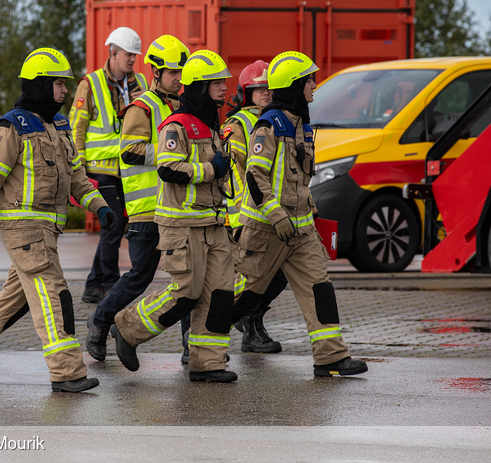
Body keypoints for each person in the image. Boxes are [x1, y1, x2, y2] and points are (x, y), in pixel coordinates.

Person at [0, 48, 118, 393]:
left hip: (45, 230)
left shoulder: (59, 125)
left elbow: (77, 179)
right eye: (58, 84)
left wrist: (100, 207)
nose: (65, 91)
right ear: (40, 85)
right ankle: (66, 372)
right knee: (53, 295)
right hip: (23, 229)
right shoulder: (12, 127)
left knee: (18, 296)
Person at [231, 50, 368, 377]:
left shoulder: (302, 125)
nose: (314, 85)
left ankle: (331, 357)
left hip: (299, 231)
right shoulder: (269, 125)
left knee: (319, 287)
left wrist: (312, 215)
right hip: (266, 229)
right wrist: (276, 214)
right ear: (294, 85)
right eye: (309, 80)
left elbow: (299, 181)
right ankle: (197, 346)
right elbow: (255, 176)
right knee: (241, 294)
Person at [111, 50, 238, 383]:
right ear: (199, 87)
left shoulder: (212, 125)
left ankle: (208, 363)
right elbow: (168, 169)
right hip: (183, 225)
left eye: (224, 82)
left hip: (213, 223)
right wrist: (211, 169)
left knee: (220, 295)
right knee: (186, 292)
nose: (224, 88)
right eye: (216, 83)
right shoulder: (177, 124)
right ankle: (126, 329)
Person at [85, 34, 191, 362]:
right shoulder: (142, 107)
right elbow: (129, 151)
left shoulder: (178, 108)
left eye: (181, 73)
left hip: (176, 210)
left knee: (189, 277)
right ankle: (101, 321)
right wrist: (169, 152)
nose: (178, 79)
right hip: (146, 211)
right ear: (156, 73)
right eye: (173, 73)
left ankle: (193, 347)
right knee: (139, 277)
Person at [69, 27, 149, 304]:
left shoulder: (139, 82)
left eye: (135, 56)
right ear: (112, 52)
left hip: (127, 170)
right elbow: (76, 128)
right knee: (113, 226)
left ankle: (93, 285)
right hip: (100, 168)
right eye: (128, 54)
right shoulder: (89, 84)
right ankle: (109, 283)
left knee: (117, 224)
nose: (132, 61)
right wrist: (77, 168)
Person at [222, 61, 287, 354]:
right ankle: (223, 328)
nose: (265, 93)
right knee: (252, 276)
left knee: (279, 274)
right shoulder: (237, 125)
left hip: (274, 214)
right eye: (258, 88)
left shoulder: (278, 119)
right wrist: (237, 215)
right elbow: (235, 174)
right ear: (245, 92)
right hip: (247, 215)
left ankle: (252, 320)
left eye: (268, 88)